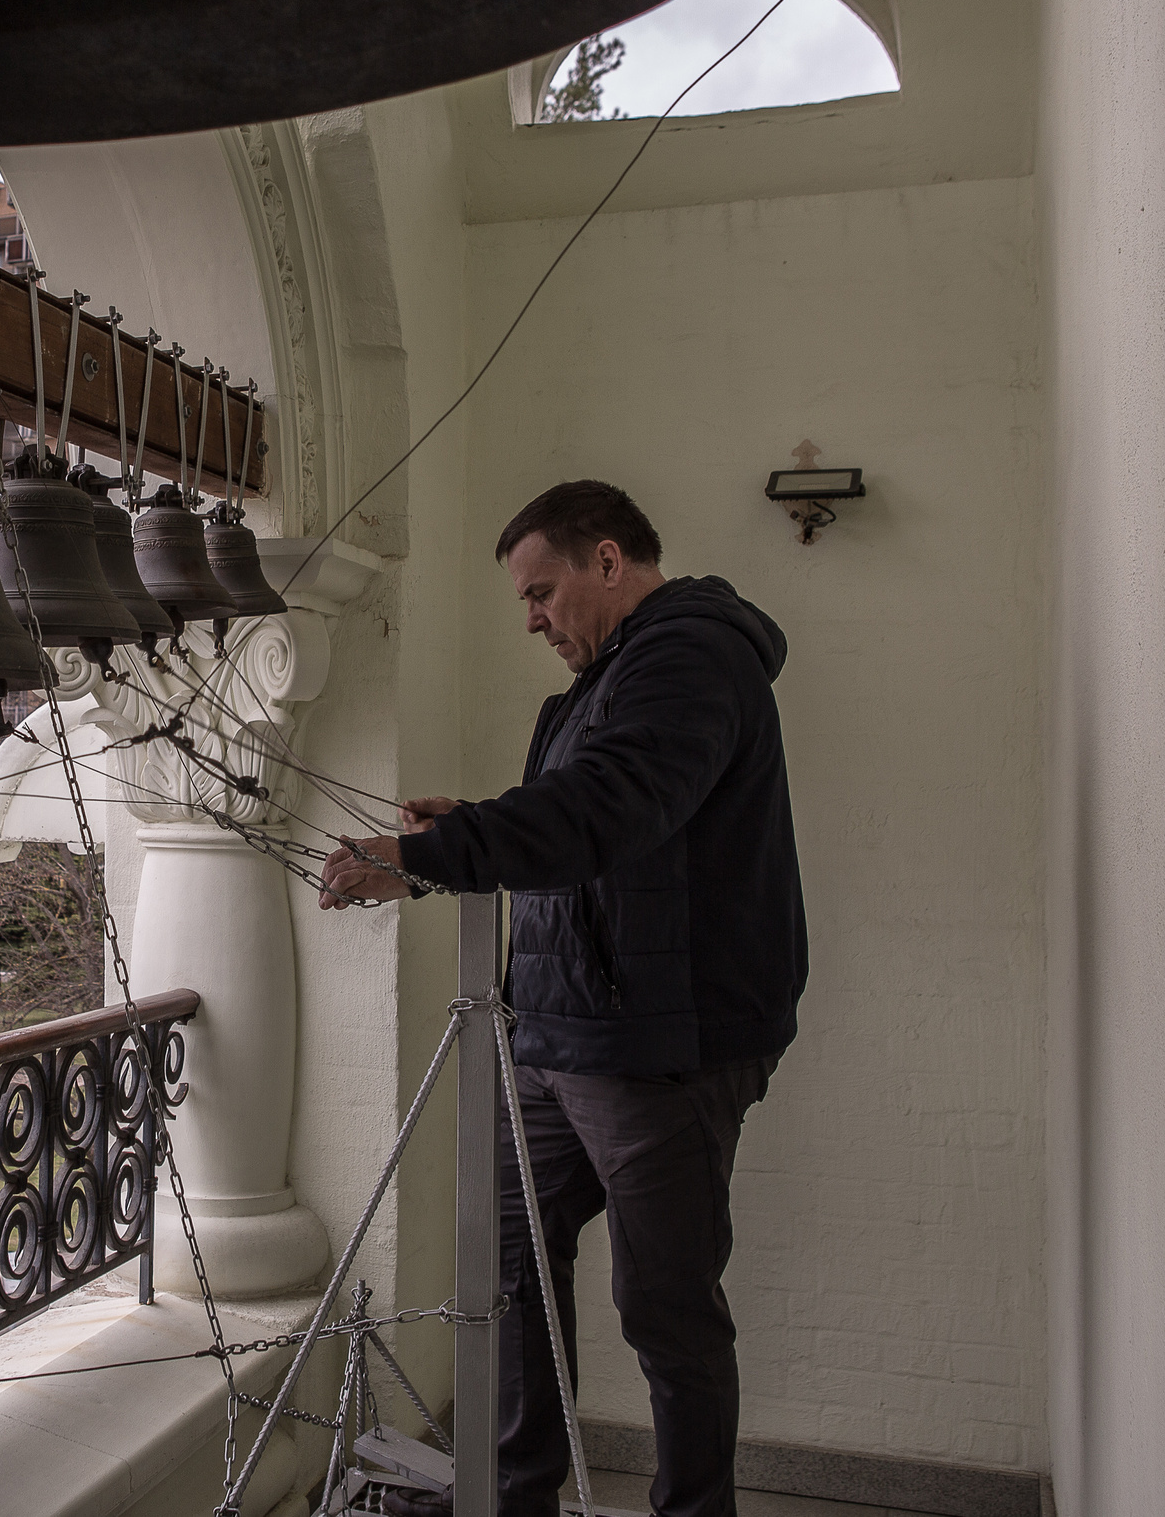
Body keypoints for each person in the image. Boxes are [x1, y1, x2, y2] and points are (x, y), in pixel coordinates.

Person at [320, 480, 806, 1517]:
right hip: (556, 1034)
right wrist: (471, 826)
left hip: (658, 1047)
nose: (532, 619)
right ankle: (512, 1497)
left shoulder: (689, 657)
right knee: (510, 1275)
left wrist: (431, 853)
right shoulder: (607, 680)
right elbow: (591, 829)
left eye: (541, 592)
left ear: (609, 561)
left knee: (666, 1310)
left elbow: (605, 811)